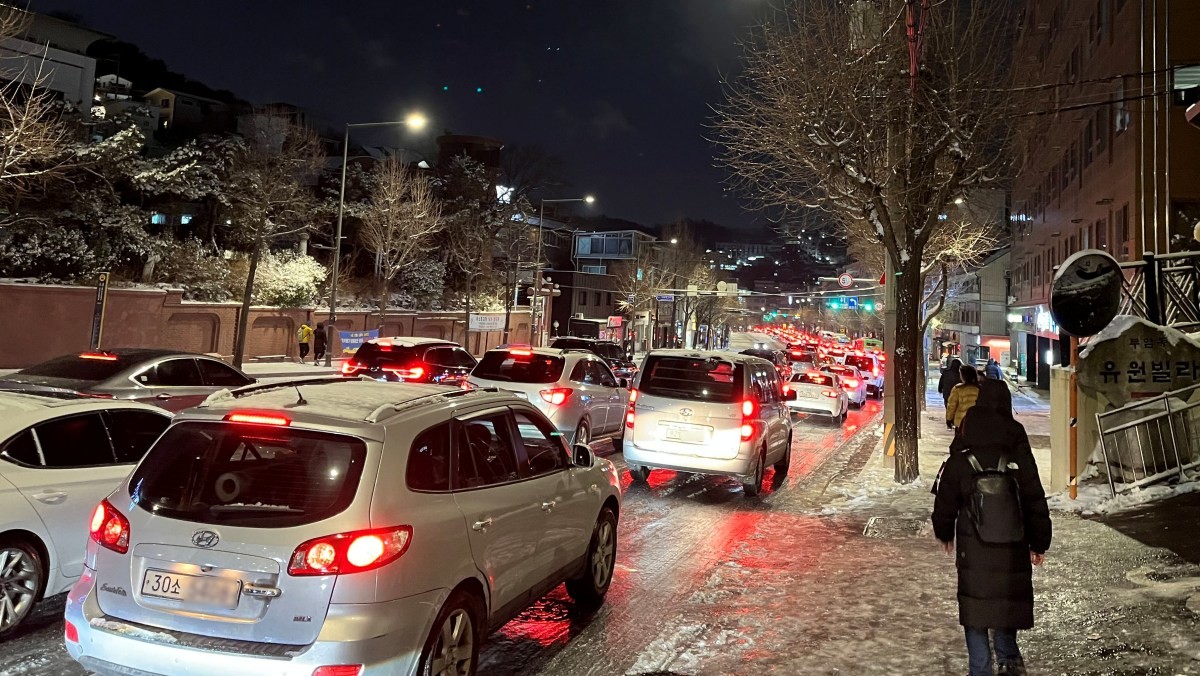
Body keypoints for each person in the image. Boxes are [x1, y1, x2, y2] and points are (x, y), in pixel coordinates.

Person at [934, 380, 1052, 676]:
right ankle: (1009, 660)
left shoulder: (965, 435)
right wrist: (1039, 542)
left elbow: (948, 491)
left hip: (974, 544)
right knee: (1006, 599)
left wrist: (944, 530)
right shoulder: (1015, 437)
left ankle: (980, 669)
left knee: (976, 609)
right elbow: (1032, 493)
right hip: (1012, 542)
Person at [946, 365, 981, 431]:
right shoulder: (980, 389)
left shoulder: (958, 389)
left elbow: (951, 406)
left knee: (961, 440)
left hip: (961, 422)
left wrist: (949, 419)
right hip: (977, 421)